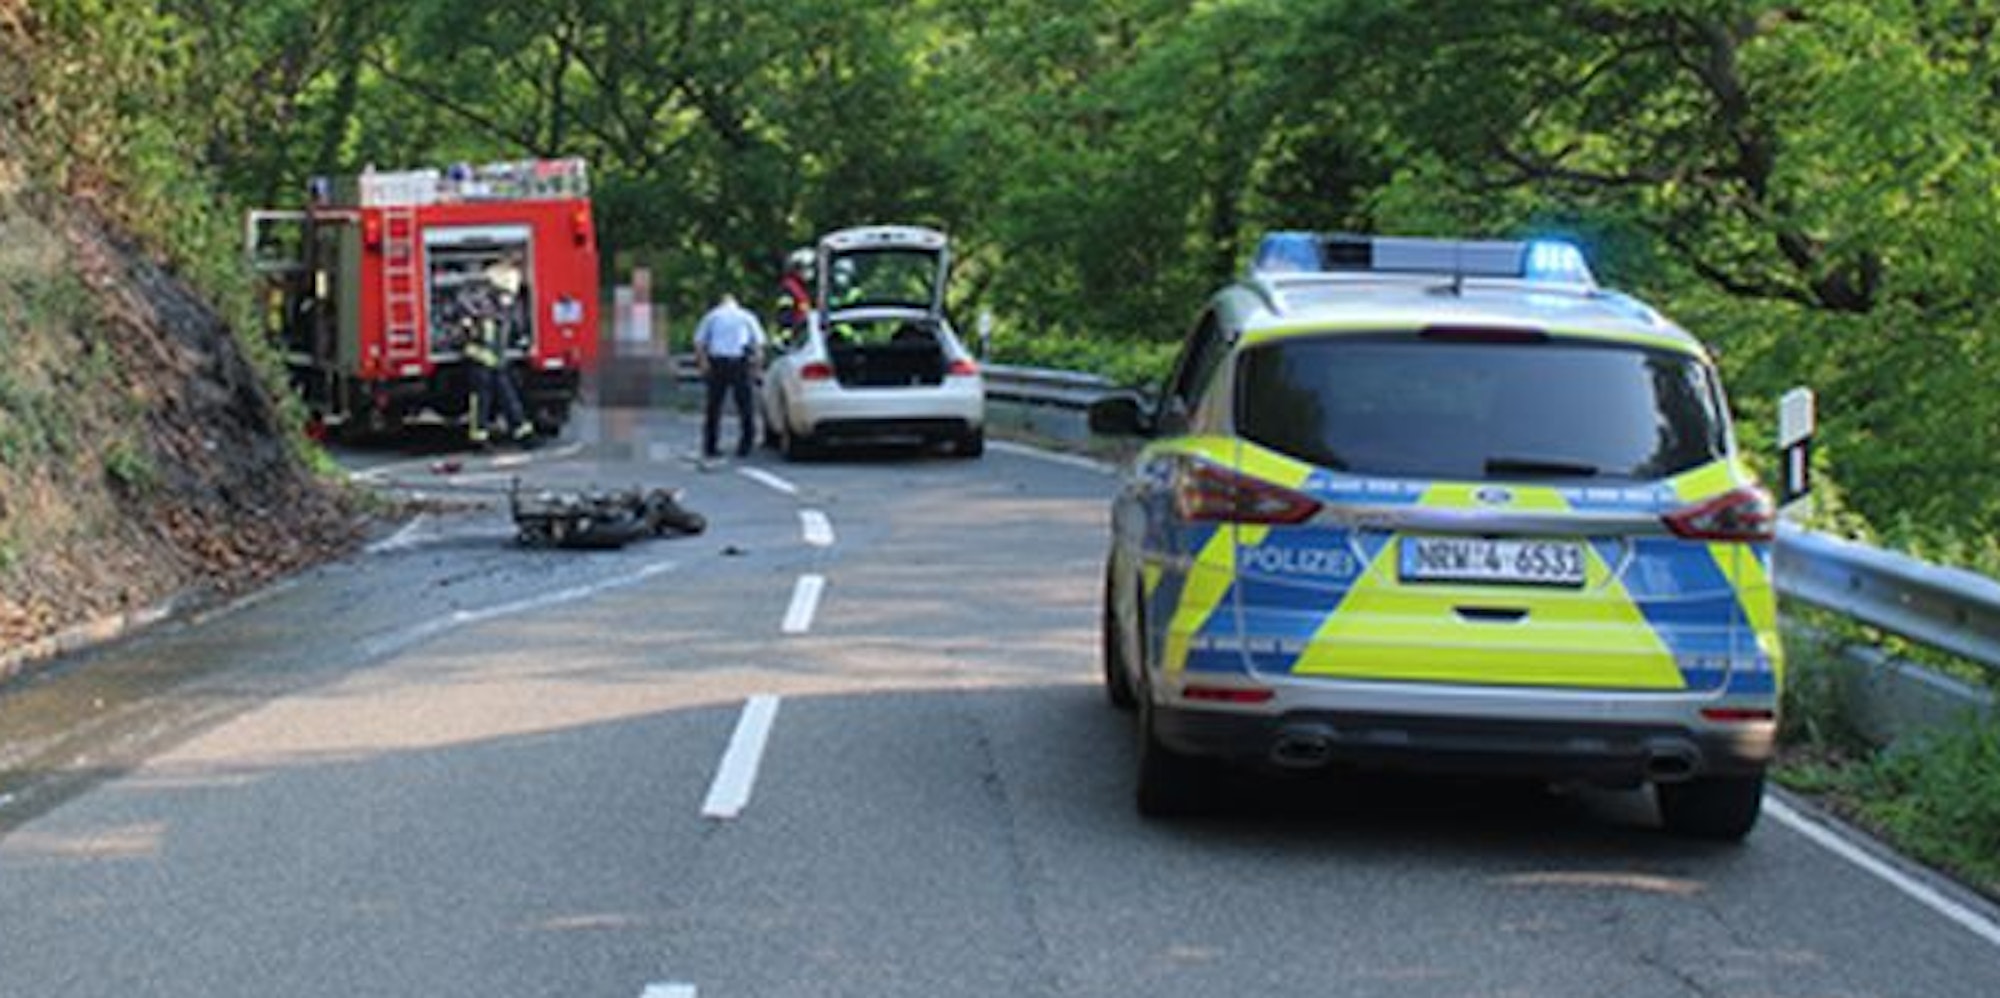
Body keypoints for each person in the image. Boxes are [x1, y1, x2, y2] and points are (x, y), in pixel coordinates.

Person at [693, 292, 766, 459]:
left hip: (717, 363)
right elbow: (759, 344)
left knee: (714, 406)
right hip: (740, 362)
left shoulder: (712, 316)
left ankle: (710, 445)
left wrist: (703, 363)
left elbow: (699, 342)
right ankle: (746, 445)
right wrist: (757, 367)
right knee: (745, 406)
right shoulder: (746, 316)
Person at [460, 285, 534, 447]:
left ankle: (522, 432)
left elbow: (512, 335)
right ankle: (479, 437)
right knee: (482, 402)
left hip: (496, 364)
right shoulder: (476, 321)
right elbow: (467, 341)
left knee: (508, 398)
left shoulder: (501, 320)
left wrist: (523, 342)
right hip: (481, 365)